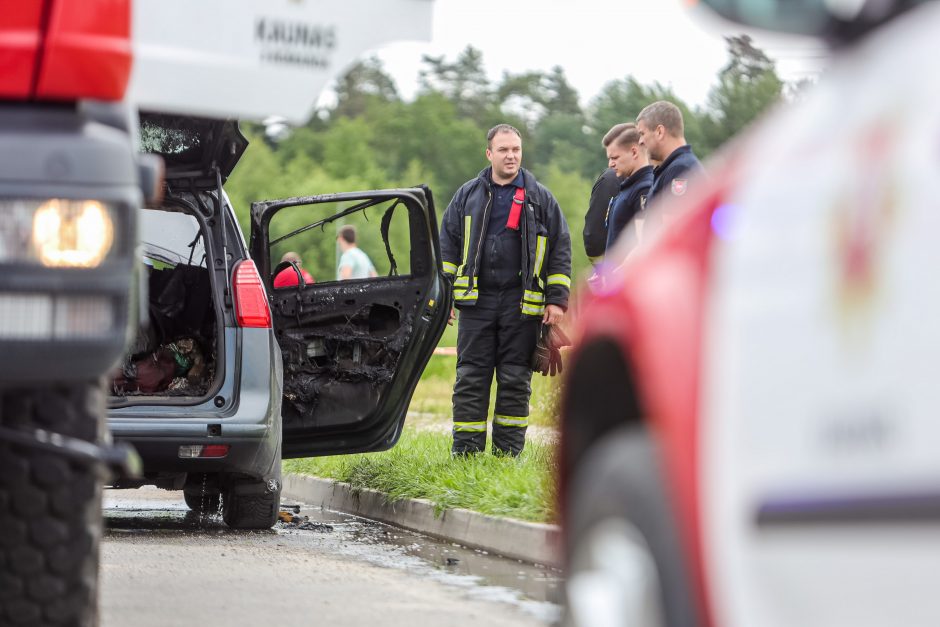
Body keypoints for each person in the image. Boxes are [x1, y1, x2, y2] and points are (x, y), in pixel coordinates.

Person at [439, 124, 572, 456]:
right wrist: (443, 298)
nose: (511, 156)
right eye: (504, 150)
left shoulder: (540, 198)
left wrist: (556, 300)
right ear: (489, 154)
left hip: (521, 305)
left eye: (516, 149)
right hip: (476, 303)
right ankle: (466, 455)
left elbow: (560, 248)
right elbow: (446, 249)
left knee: (515, 381)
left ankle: (507, 456)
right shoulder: (467, 196)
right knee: (471, 378)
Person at [636, 100, 704, 210]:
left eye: (642, 134)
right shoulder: (674, 167)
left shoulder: (680, 169)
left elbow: (672, 225)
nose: (640, 141)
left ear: (659, 132)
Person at [583, 123, 632, 263]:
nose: (611, 164)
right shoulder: (611, 180)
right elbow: (594, 237)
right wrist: (605, 271)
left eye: (615, 157)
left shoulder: (653, 178)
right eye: (610, 158)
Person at [604, 123, 653, 253]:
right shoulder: (628, 187)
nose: (610, 164)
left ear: (634, 152)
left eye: (614, 158)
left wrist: (613, 272)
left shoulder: (644, 189)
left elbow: (644, 247)